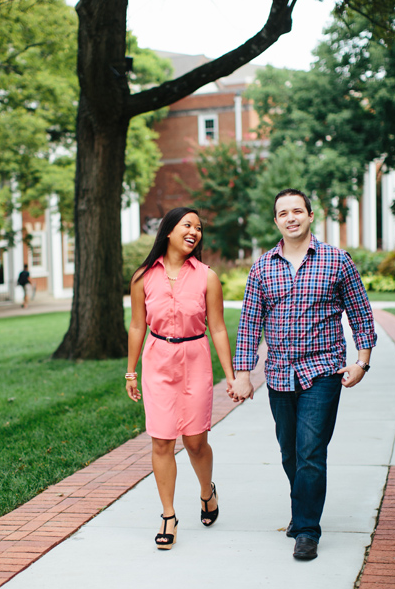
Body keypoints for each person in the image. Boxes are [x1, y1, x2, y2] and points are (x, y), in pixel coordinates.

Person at [232, 188, 376, 561]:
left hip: (323, 371)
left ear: (311, 216)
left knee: (311, 452)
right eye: (284, 213)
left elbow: (360, 313)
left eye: (298, 211)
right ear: (276, 221)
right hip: (279, 374)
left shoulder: (336, 260)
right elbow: (249, 324)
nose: (291, 217)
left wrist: (362, 361)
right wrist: (243, 374)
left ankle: (307, 529)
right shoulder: (263, 266)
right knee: (289, 453)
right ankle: (302, 511)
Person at [125, 207, 236, 550]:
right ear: (169, 230)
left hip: (195, 360)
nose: (194, 232)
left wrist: (230, 376)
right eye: (187, 225)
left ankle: (207, 492)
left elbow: (217, 328)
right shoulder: (143, 277)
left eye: (199, 228)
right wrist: (131, 371)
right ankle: (168, 515)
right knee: (162, 441)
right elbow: (137, 326)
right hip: (157, 362)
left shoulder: (207, 277)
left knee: (195, 442)